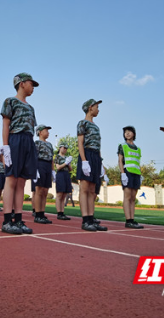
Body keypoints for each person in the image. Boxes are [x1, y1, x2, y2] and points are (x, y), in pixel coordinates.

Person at [0, 72, 39, 234]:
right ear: (22, 83)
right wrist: (6, 146)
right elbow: (6, 125)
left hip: (28, 141)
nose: (33, 88)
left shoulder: (30, 107)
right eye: (31, 84)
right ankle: (7, 221)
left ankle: (19, 219)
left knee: (22, 182)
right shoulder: (10, 101)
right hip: (15, 140)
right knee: (11, 180)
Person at [76, 99, 107, 232]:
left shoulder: (96, 126)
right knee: (85, 188)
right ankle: (85, 220)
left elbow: (98, 146)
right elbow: (80, 143)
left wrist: (100, 163)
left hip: (95, 157)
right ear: (90, 108)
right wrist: (84, 161)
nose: (98, 109)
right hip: (87, 155)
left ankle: (91, 218)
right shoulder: (82, 123)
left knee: (93, 189)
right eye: (96, 107)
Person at [118, 126, 143, 229]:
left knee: (133, 198)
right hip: (127, 172)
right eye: (125, 132)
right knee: (127, 197)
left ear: (134, 134)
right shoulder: (122, 146)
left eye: (129, 132)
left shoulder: (138, 149)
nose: (127, 133)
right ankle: (128, 220)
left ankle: (132, 219)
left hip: (136, 174)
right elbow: (120, 160)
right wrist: (122, 173)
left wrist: (141, 175)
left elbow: (138, 162)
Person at [33, 125, 55, 224]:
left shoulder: (50, 144)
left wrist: (53, 171)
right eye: (46, 130)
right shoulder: (36, 143)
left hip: (47, 166)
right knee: (39, 190)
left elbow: (52, 158)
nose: (48, 132)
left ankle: (42, 213)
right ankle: (38, 214)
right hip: (39, 164)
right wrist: (34, 169)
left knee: (45, 191)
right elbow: (33, 156)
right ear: (40, 132)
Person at [54, 144, 72, 220]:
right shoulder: (57, 157)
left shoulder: (66, 158)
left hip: (66, 174)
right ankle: (59, 213)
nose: (65, 149)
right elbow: (58, 167)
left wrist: (69, 162)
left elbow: (71, 169)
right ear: (60, 148)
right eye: (64, 148)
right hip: (60, 174)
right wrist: (65, 163)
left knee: (64, 194)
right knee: (59, 194)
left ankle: (62, 212)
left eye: (66, 148)